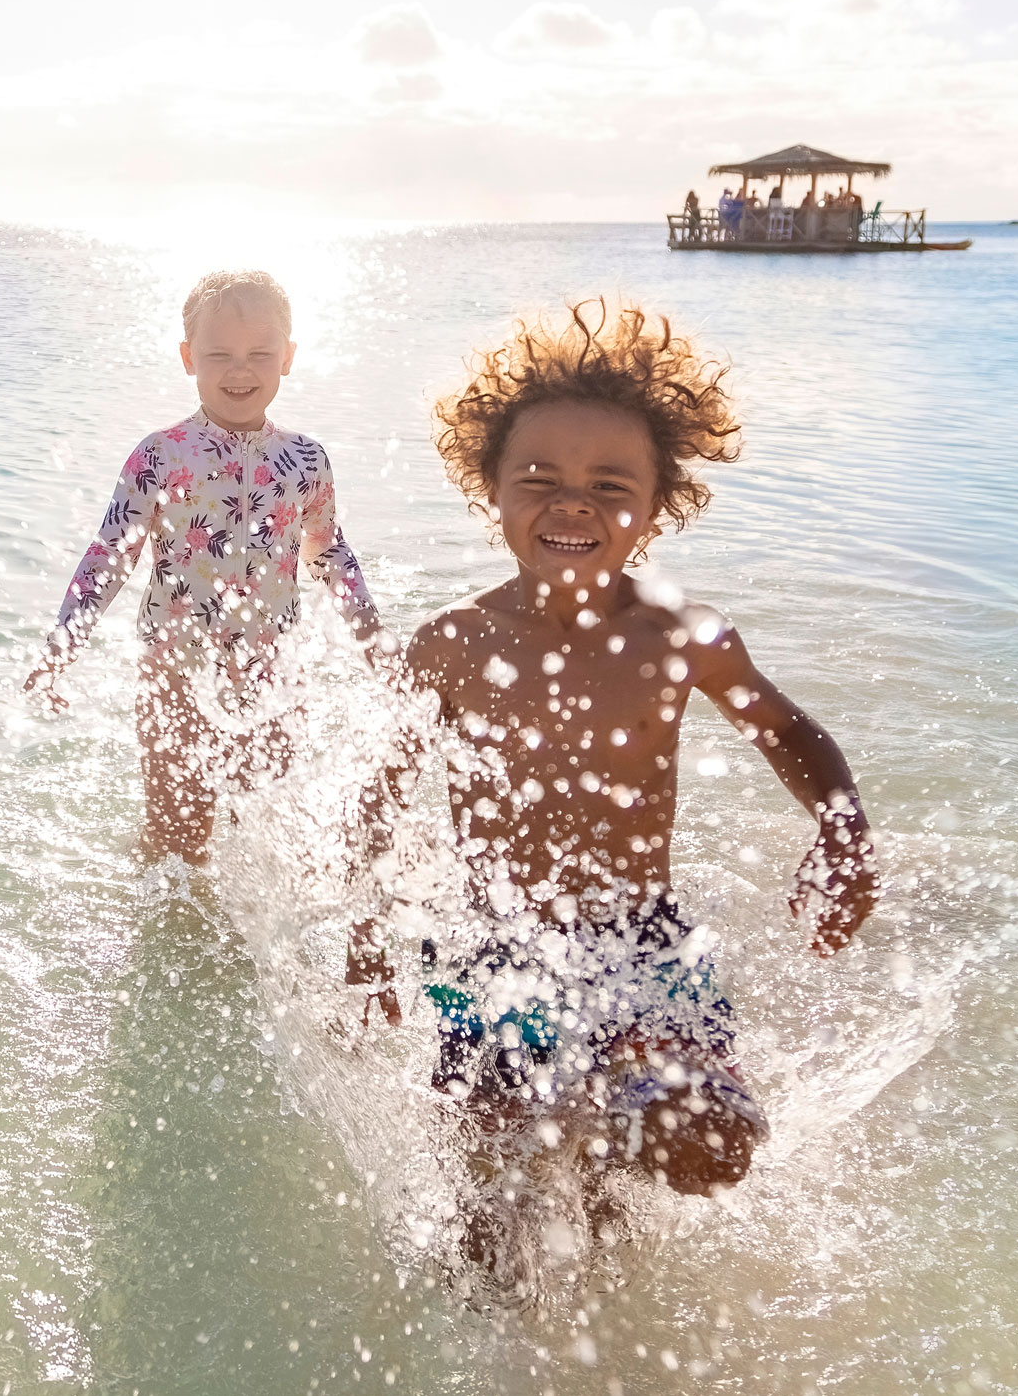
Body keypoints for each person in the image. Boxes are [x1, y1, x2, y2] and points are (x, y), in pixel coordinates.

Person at [342, 298, 875, 1202]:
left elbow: (786, 729)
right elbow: (381, 792)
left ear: (656, 508)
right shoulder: (452, 644)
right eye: (539, 479)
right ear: (492, 489)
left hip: (644, 941)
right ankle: (506, 1300)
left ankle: (606, 1191)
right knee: (491, 1191)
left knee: (706, 1141)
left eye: (609, 485)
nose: (572, 503)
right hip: (494, 947)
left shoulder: (683, 636)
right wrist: (366, 934)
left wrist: (842, 827)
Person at [27, 270, 382, 862]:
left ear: (288, 358)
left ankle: (246, 947)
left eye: (259, 354)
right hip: (177, 675)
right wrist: (62, 647)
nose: (239, 370)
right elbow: (109, 556)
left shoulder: (305, 459)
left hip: (273, 674)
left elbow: (329, 552)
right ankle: (160, 927)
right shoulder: (161, 454)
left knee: (267, 831)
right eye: (219, 354)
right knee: (176, 836)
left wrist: (373, 638)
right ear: (189, 358)